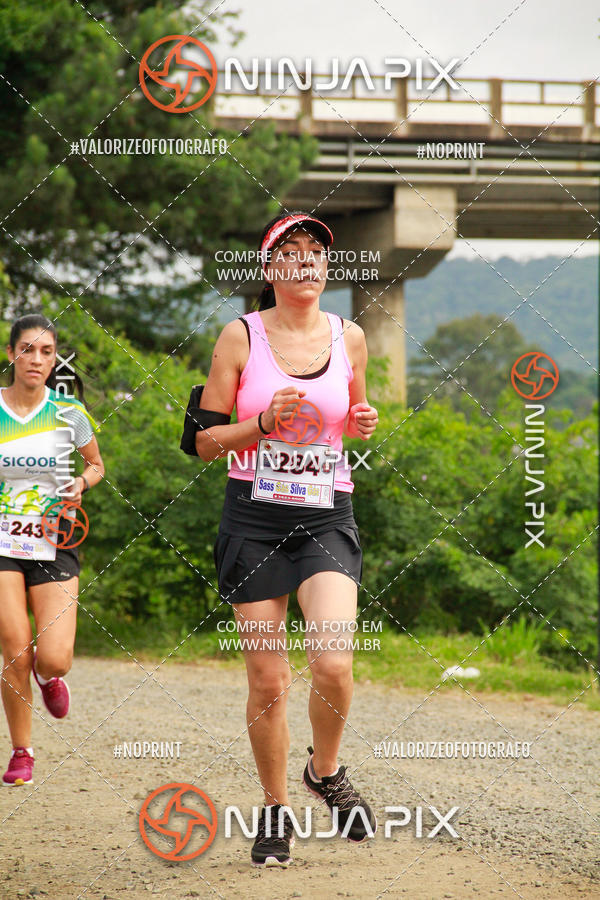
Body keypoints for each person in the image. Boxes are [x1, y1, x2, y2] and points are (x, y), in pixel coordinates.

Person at [195, 212, 378, 866]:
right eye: (291, 253)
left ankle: (323, 772)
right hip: (253, 519)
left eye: (316, 254)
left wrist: (362, 421)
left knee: (332, 661)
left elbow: (351, 423)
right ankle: (275, 808)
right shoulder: (240, 338)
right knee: (268, 679)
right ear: (270, 269)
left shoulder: (350, 337)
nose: (306, 264)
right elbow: (203, 441)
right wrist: (262, 423)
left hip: (326, 514)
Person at [0, 314, 104, 786]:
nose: (36, 359)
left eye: (45, 351)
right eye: (27, 350)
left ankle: (49, 677)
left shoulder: (70, 413)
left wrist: (80, 483)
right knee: (15, 650)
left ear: (54, 357)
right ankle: (22, 750)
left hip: (54, 537)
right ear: (11, 355)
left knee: (54, 657)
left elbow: (97, 466)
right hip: (2, 540)